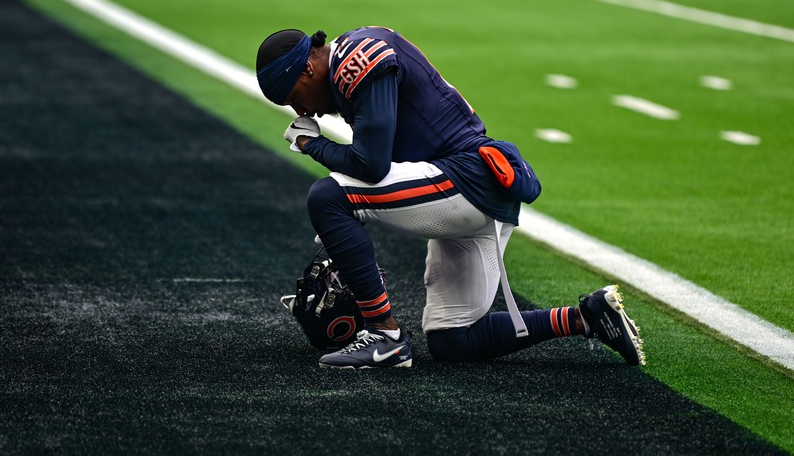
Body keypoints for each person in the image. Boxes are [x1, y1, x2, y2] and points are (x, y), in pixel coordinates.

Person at [255, 26, 645, 369]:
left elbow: (370, 165)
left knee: (328, 197)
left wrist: (311, 144)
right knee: (453, 340)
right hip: (474, 189)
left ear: (307, 68)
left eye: (293, 97)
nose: (302, 109)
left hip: (467, 180)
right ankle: (586, 318)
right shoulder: (350, 64)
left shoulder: (357, 60)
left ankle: (385, 337)